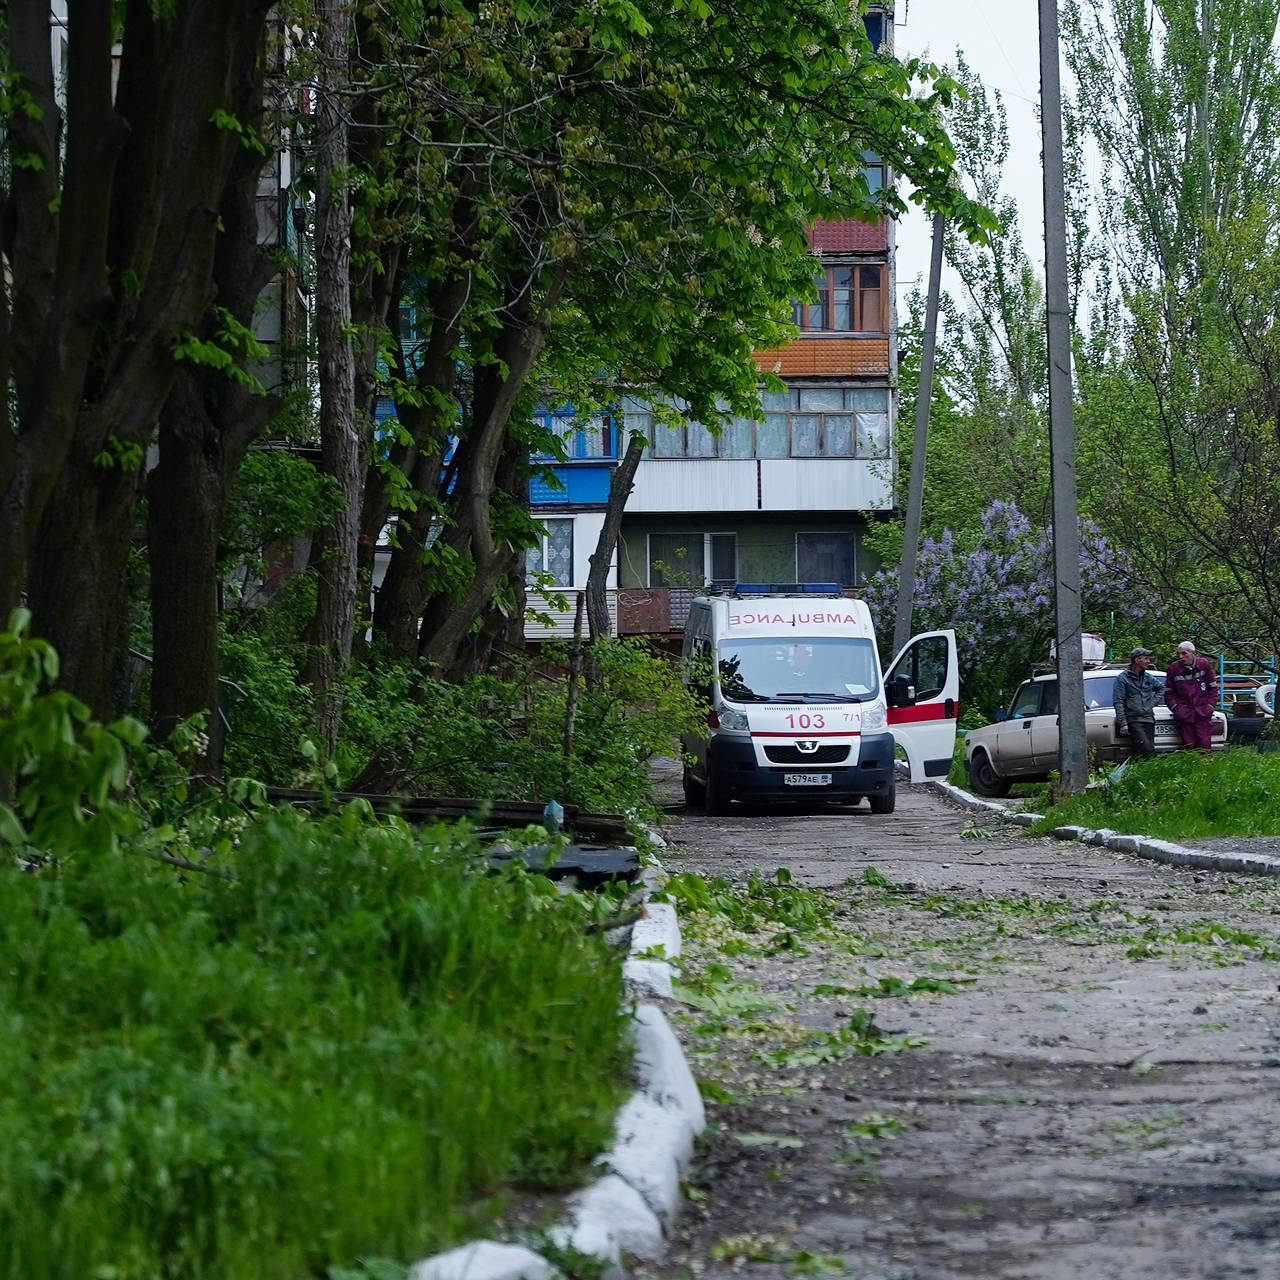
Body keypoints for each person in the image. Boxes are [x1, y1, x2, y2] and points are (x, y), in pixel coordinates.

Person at [1164, 640, 1219, 751]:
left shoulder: (1204, 665)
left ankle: (1206, 767)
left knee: (1205, 745)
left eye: (1184, 653)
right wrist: (1177, 708)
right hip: (1185, 714)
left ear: (1192, 653)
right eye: (1179, 654)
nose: (1181, 656)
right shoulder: (1174, 668)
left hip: (1202, 713)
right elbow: (1169, 692)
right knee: (1189, 747)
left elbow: (1213, 688)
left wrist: (1210, 706)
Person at [1113, 647, 1162, 757]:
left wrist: (1153, 702)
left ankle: (1140, 772)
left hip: (1149, 718)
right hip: (1133, 719)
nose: (1148, 661)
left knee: (1142, 751)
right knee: (1147, 750)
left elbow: (1162, 688)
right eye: (1146, 658)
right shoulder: (1123, 678)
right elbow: (1118, 701)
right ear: (1137, 660)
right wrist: (1123, 723)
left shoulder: (1148, 677)